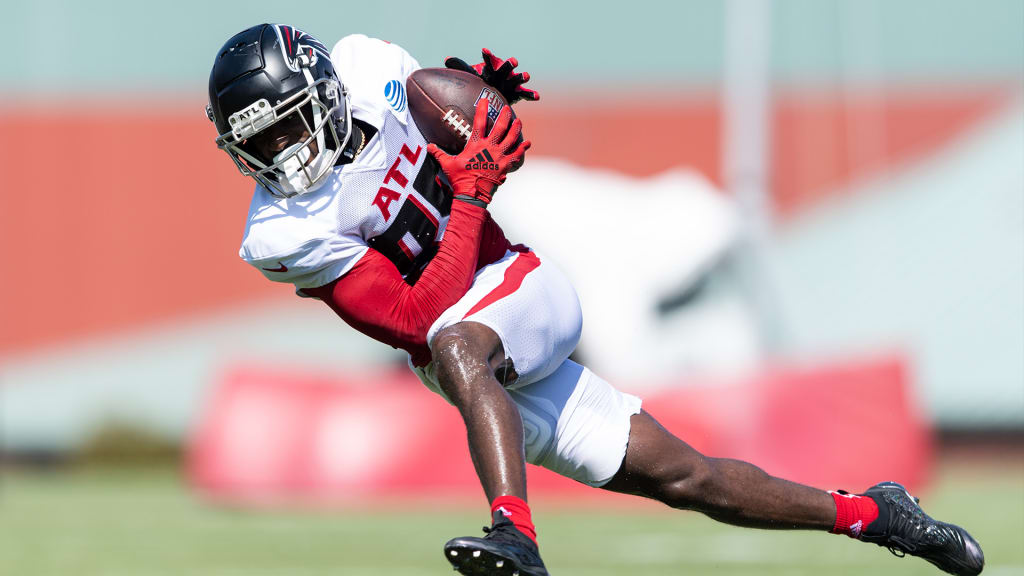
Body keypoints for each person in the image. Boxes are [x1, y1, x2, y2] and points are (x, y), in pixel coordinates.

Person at [205, 23, 985, 576]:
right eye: (261, 145)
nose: (283, 153)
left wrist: (481, 104)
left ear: (324, 90)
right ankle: (876, 515)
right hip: (462, 351)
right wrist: (473, 190)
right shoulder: (281, 233)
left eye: (287, 127)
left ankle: (513, 532)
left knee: (457, 348)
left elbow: (447, 128)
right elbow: (409, 318)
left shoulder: (369, 64)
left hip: (519, 288)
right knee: (689, 479)